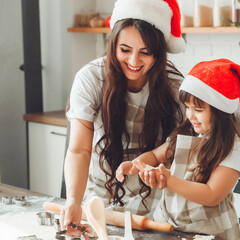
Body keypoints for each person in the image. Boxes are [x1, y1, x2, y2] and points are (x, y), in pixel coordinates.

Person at [60, 0, 186, 230]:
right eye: (125, 50)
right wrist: (73, 201)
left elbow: (178, 151)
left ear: (159, 53)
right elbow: (79, 149)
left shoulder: (176, 88)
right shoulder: (91, 79)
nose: (134, 62)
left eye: (145, 52)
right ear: (113, 44)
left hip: (158, 207)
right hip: (100, 202)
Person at [117, 59, 240, 239]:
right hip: (169, 226)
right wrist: (136, 164)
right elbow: (155, 156)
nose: (190, 115)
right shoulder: (186, 134)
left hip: (210, 232)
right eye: (188, 107)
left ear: (220, 110)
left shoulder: (232, 147)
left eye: (198, 109)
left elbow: (212, 195)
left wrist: (168, 180)